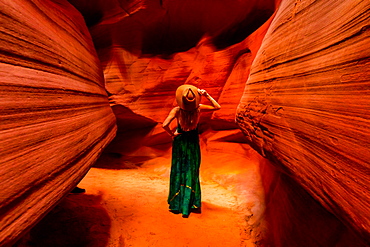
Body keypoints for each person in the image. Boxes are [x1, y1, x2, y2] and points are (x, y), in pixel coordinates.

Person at [162, 84, 221, 218]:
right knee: (191, 169)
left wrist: (172, 134)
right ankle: (188, 204)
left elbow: (164, 124)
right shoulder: (198, 109)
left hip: (180, 141)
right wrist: (206, 95)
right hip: (192, 142)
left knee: (179, 169)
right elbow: (217, 107)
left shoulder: (177, 111)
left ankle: (177, 203)